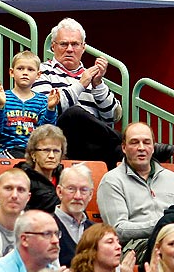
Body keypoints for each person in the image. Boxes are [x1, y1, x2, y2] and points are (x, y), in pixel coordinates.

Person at [33, 18, 124, 166]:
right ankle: (129, 141)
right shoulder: (42, 72)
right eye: (63, 44)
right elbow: (45, 108)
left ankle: (137, 145)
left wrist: (98, 84)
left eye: (75, 44)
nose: (69, 49)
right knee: (74, 113)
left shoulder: (92, 75)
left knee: (126, 154)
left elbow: (112, 116)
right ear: (53, 46)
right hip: (59, 141)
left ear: (83, 47)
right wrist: (81, 85)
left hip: (94, 145)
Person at [98, 122, 174, 248]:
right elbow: (118, 230)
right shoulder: (112, 181)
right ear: (124, 147)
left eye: (147, 142)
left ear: (153, 147)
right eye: (134, 142)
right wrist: (162, 224)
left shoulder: (171, 178)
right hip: (135, 246)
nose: (141, 148)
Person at [0, 51, 60, 156]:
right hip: (8, 151)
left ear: (38, 75)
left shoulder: (43, 100)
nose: (25, 73)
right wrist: (0, 105)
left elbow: (45, 134)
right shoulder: (1, 96)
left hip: (34, 153)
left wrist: (50, 109)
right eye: (20, 68)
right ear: (11, 72)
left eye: (30, 69)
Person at [19, 124, 68, 215]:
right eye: (46, 150)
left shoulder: (66, 179)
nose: (51, 156)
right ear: (33, 154)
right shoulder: (22, 179)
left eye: (56, 151)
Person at [54, 163, 96, 267]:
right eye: (71, 189)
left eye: (84, 190)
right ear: (59, 191)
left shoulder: (96, 231)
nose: (77, 196)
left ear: (90, 194)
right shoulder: (44, 227)